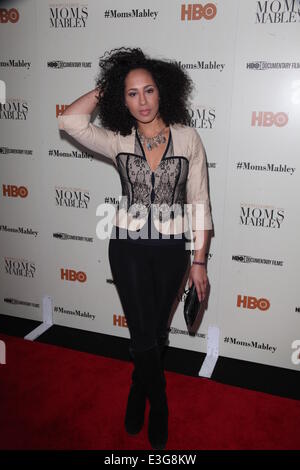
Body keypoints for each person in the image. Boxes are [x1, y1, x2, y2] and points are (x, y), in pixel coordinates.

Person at [58, 47, 213, 450]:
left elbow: (199, 203)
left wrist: (199, 261)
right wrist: (107, 84)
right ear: (121, 100)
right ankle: (158, 403)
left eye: (148, 90)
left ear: (162, 92)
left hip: (172, 250)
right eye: (130, 93)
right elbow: (69, 120)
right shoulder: (117, 140)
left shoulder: (188, 137)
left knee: (155, 330)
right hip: (126, 247)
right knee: (143, 330)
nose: (142, 101)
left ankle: (137, 388)